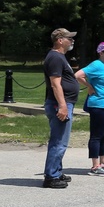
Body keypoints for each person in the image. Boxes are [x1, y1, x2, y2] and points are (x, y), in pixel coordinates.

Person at [76, 42, 104, 176]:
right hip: (99, 105)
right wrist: (89, 86)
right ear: (101, 53)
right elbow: (78, 75)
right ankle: (95, 166)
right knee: (96, 136)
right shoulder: (96, 65)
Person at [42, 28, 79, 189]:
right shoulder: (55, 57)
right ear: (60, 40)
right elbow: (55, 84)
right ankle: (51, 176)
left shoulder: (60, 57)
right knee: (59, 141)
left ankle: (56, 170)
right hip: (60, 104)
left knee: (60, 140)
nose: (72, 41)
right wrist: (62, 106)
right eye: (69, 38)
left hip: (64, 103)